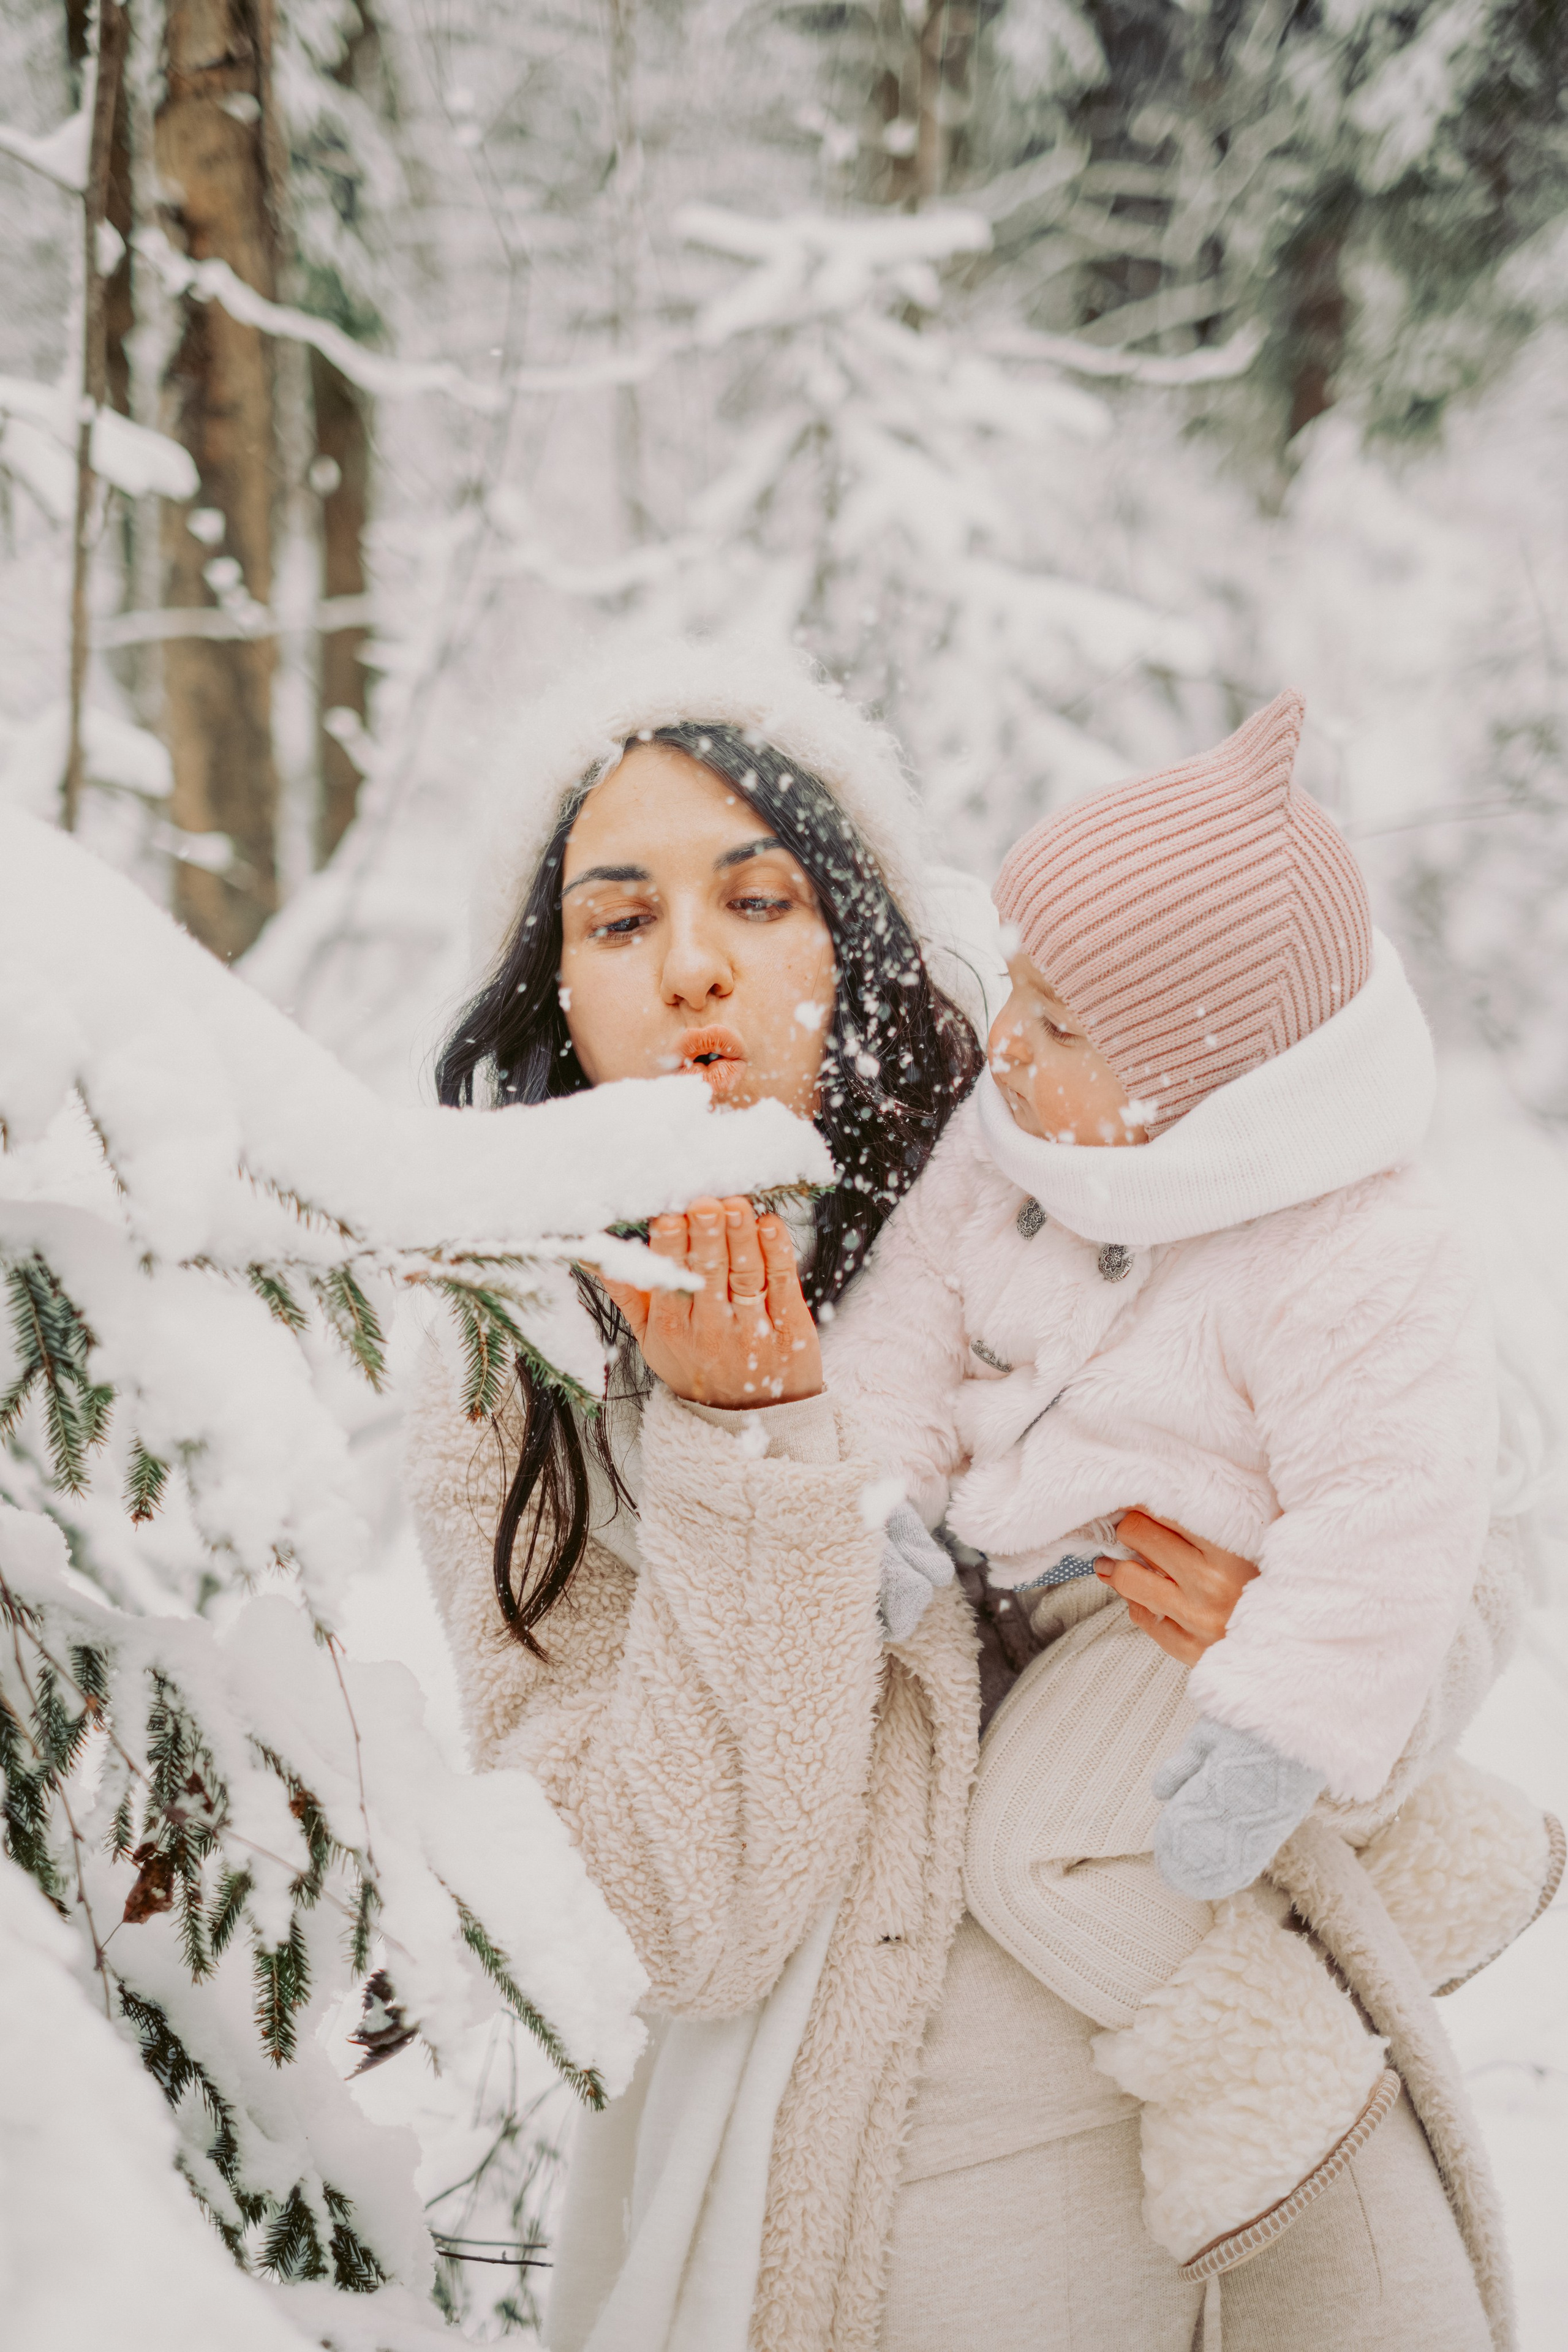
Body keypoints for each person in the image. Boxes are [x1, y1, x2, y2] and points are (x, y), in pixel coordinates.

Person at [404, 639, 1530, 2352]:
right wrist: (748, 1456)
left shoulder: (1078, 1157)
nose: (695, 968)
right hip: (815, 2223)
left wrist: (1302, 1648)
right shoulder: (520, 1382)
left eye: (759, 898)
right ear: (551, 986)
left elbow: (1465, 1491)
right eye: (620, 923)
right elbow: (672, 1926)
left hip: (1209, 2162)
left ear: (852, 928)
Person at [823, 690, 1562, 2280]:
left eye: (1065, 1023)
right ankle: (1429, 1856)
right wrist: (876, 1490)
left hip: (1183, 1624)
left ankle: (1265, 2060)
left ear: (1207, 1080)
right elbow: (905, 1317)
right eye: (1017, 984)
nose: (1007, 1036)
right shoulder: (1016, 1134)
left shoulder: (1351, 1249)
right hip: (1039, 1588)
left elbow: (1394, 1516)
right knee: (1057, 1825)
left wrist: (1284, 1720)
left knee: (1035, 1852)